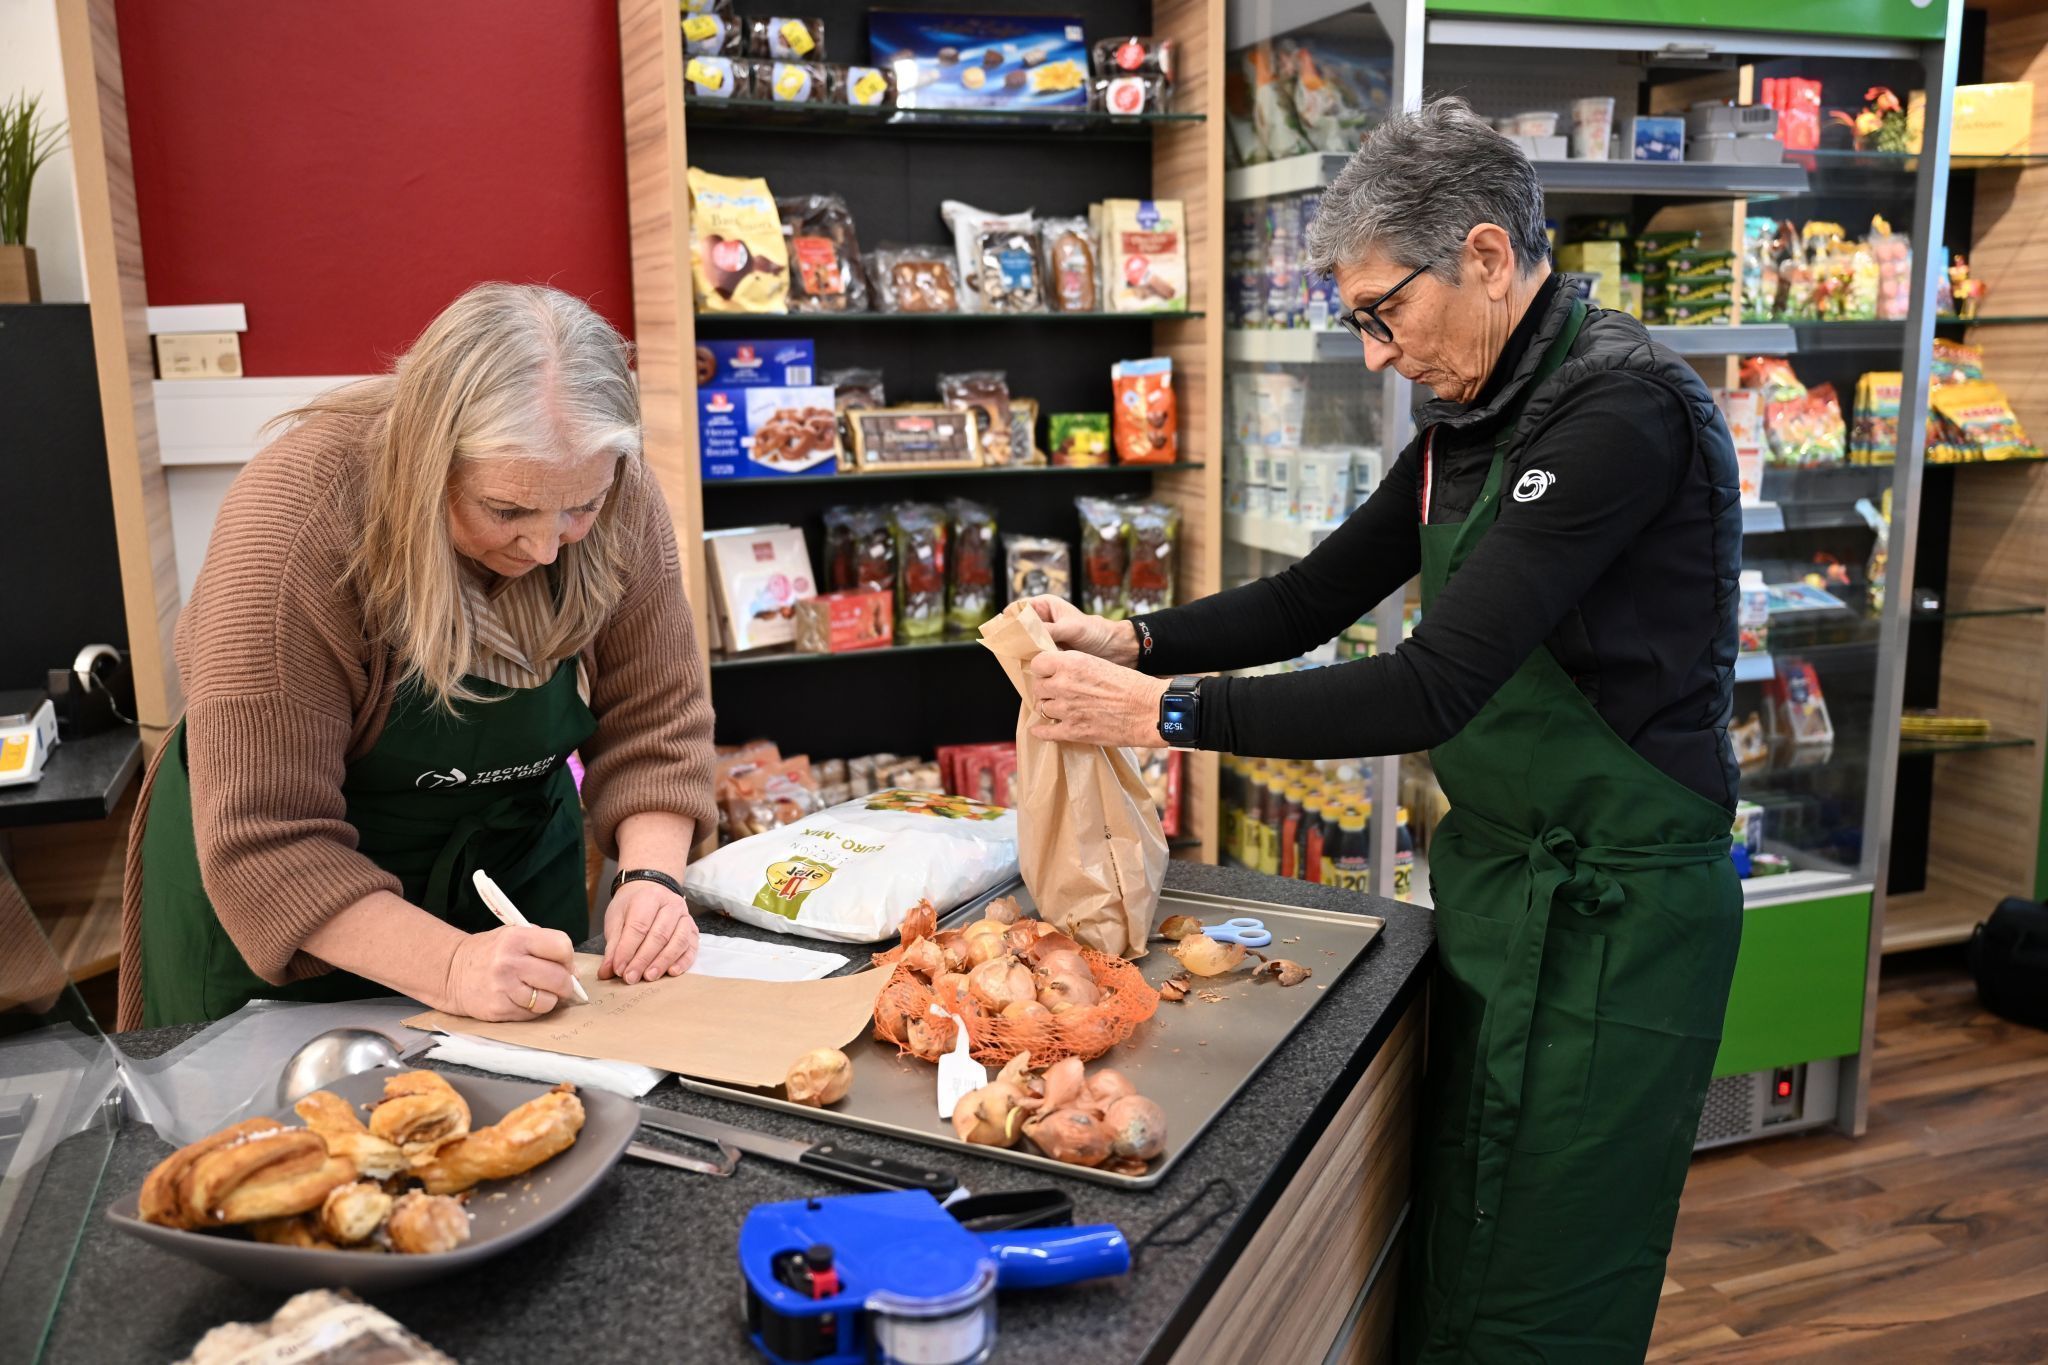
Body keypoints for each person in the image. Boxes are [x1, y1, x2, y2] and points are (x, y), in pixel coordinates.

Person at [1024, 98, 1742, 1363]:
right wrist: (1129, 641)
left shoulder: (1616, 412)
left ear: (1479, 256)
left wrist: (1161, 714)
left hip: (1616, 911)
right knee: (1460, 1216)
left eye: (1380, 313)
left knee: (1547, 1268)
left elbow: (1431, 688)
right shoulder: (1463, 421)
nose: (1371, 353)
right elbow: (1310, 598)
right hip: (1498, 886)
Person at [119, 284, 715, 1031]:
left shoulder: (606, 479)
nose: (543, 546)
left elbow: (657, 720)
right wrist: (451, 966)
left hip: (510, 864)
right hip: (296, 909)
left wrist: (653, 877)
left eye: (580, 510)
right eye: (506, 510)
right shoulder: (294, 522)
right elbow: (269, 837)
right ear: (431, 458)